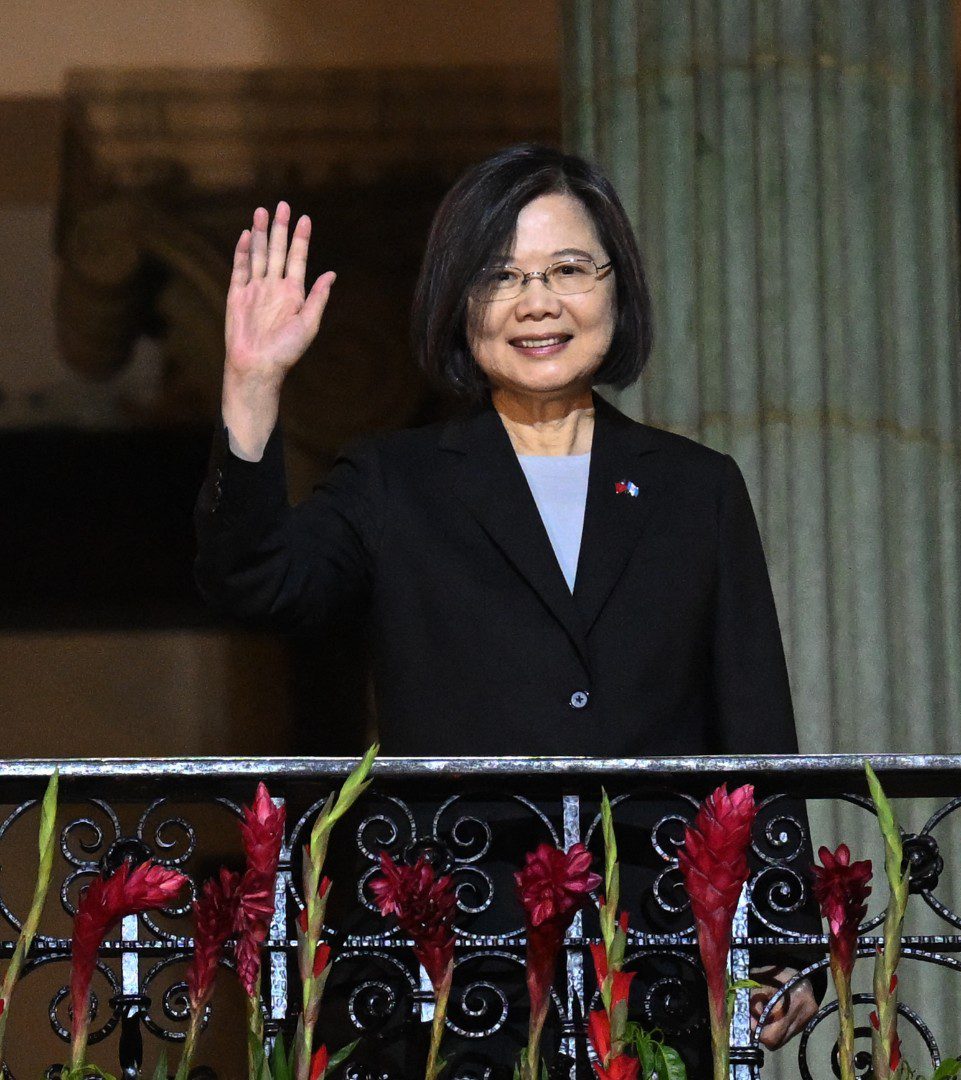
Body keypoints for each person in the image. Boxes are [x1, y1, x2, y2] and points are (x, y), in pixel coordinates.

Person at [195, 144, 817, 1060]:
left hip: (653, 953)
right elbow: (258, 584)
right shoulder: (394, 481)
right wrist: (253, 385)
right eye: (501, 275)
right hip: (453, 962)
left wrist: (784, 938)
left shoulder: (698, 488)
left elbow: (755, 719)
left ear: (616, 289)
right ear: (459, 302)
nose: (538, 302)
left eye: (568, 269)